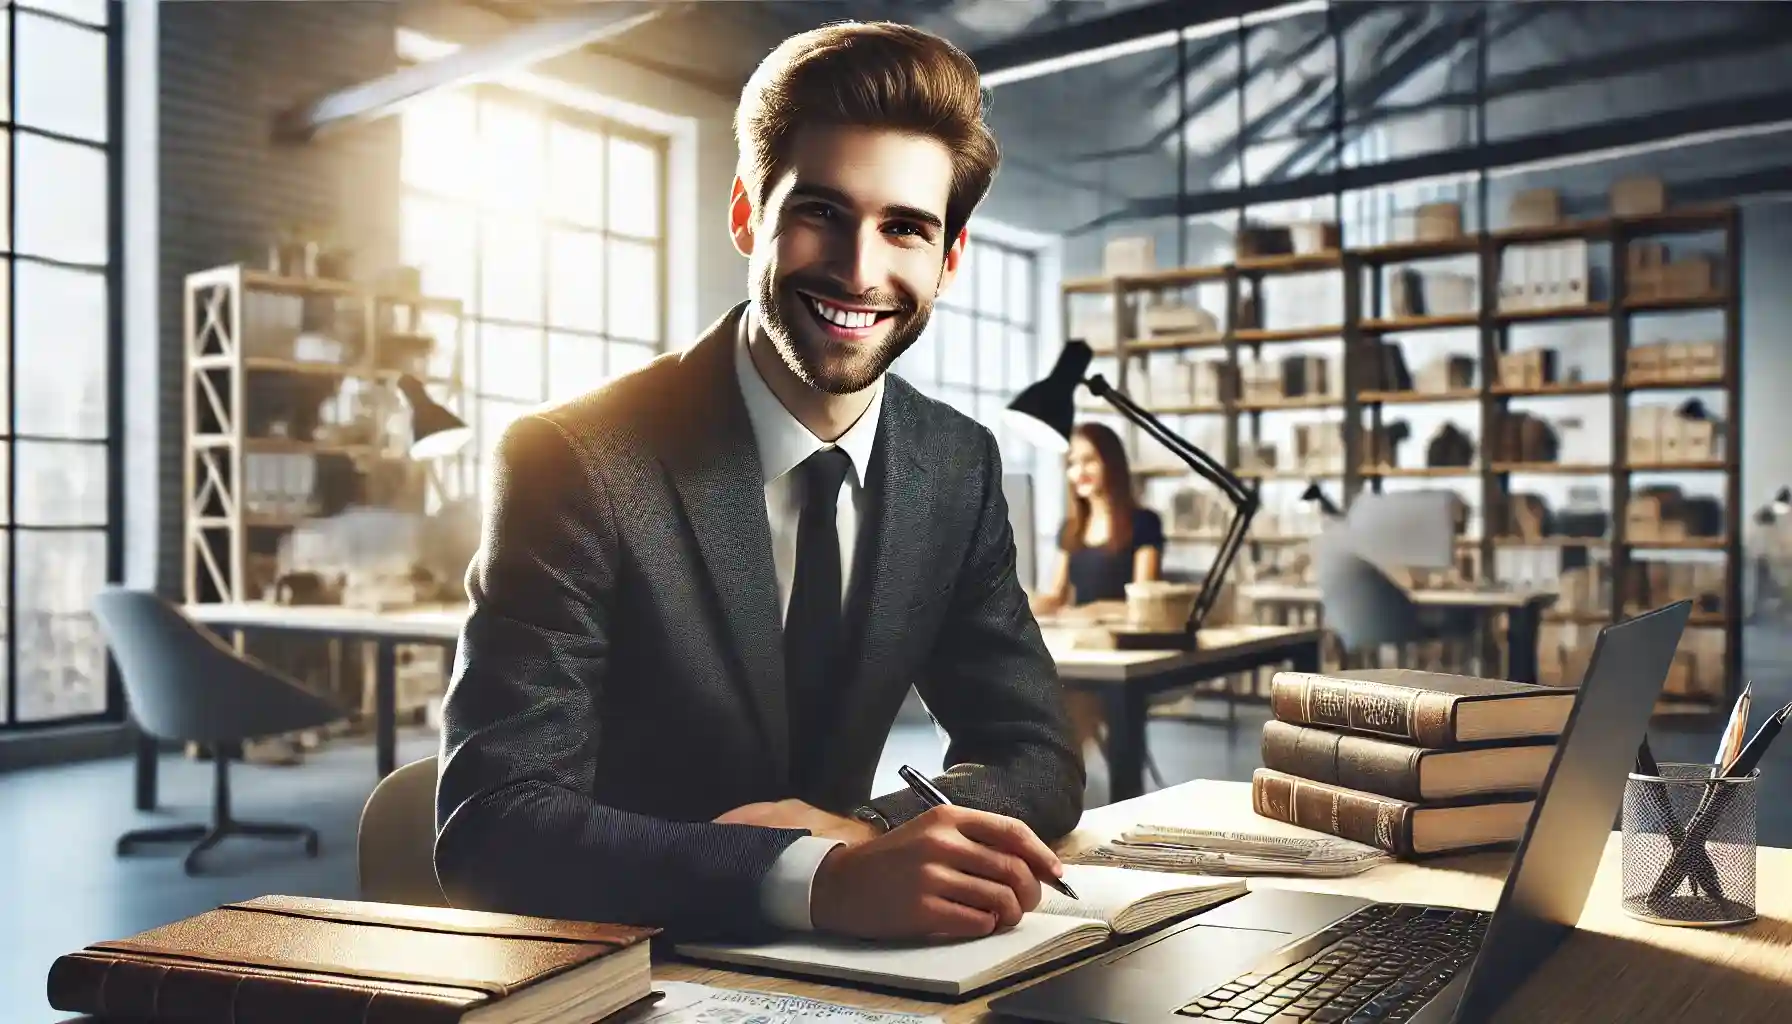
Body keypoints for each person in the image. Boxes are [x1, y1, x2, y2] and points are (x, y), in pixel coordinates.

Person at [434, 21, 1085, 945]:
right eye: (822, 211)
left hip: (865, 974)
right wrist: (814, 881)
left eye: (905, 227)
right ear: (748, 215)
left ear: (949, 259)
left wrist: (866, 840)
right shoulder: (574, 459)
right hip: (625, 961)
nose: (861, 271)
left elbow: (1038, 752)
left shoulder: (957, 463)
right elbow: (491, 827)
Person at [1028, 423, 1165, 755]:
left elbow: (1143, 603)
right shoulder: (1071, 529)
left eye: (1089, 460)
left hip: (1120, 654)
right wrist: (1015, 600)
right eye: (1072, 464)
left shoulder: (1144, 523)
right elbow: (1055, 597)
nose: (1079, 472)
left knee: (1068, 711)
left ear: (1111, 463)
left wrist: (1090, 612)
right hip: (1081, 649)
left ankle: (1054, 790)